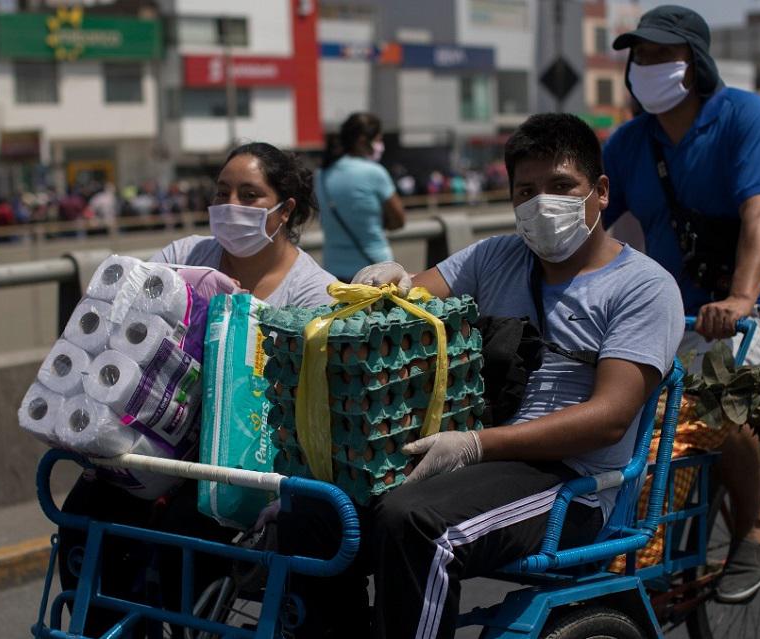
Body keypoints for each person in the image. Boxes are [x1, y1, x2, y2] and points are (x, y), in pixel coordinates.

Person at [281, 113, 684, 638]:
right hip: (479, 461)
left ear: (601, 191)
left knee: (418, 525)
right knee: (317, 511)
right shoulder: (498, 256)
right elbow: (414, 297)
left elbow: (609, 419)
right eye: (526, 191)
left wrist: (474, 445)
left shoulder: (644, 287)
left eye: (561, 186)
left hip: (571, 483)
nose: (543, 203)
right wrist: (392, 282)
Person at [57, 142, 337, 637]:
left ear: (285, 209)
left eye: (250, 195)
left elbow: (303, 410)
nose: (232, 205)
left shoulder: (311, 293)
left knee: (185, 536)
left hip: (236, 470)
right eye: (223, 191)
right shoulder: (183, 257)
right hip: (154, 454)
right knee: (85, 510)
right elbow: (126, 329)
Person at [601, 5, 760, 602]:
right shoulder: (629, 143)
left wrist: (741, 297)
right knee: (610, 420)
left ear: (696, 61)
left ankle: (754, 523)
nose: (647, 67)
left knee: (721, 397)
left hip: (752, 312)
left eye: (662, 54)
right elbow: (593, 233)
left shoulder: (745, 117)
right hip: (671, 316)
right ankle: (629, 552)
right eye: (640, 56)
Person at [317, 112, 406, 280]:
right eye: (378, 140)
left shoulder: (321, 175)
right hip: (375, 270)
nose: (381, 146)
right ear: (362, 141)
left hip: (332, 269)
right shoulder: (374, 172)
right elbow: (399, 219)